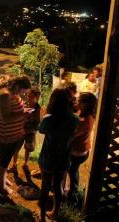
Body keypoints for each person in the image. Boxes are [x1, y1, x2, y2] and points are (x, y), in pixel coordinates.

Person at [38, 88, 79, 221]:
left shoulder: (49, 119)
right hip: (63, 159)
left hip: (48, 158)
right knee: (58, 185)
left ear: (53, 102)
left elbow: (41, 130)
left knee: (45, 187)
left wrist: (43, 115)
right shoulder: (74, 119)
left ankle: (42, 216)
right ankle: (56, 212)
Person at [0, 76, 31, 203]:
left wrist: (23, 110)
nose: (24, 94)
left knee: (5, 158)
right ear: (18, 87)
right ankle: (1, 187)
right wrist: (23, 114)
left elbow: (12, 111)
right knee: (4, 161)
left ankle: (1, 178)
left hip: (12, 133)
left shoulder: (10, 92)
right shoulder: (5, 95)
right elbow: (5, 117)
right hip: (6, 134)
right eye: (23, 91)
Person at [67, 92, 97, 204]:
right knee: (73, 170)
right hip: (82, 150)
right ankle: (72, 192)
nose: (76, 102)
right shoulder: (87, 115)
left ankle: (73, 194)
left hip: (77, 152)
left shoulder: (85, 120)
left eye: (79, 100)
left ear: (86, 104)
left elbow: (72, 134)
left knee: (72, 171)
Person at [10, 87, 41, 175]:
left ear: (37, 98)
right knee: (16, 148)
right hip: (21, 131)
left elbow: (37, 122)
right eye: (28, 95)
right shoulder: (25, 104)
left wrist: (33, 130)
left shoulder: (37, 108)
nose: (28, 98)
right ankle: (14, 164)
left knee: (28, 148)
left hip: (30, 132)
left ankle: (25, 163)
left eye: (31, 96)